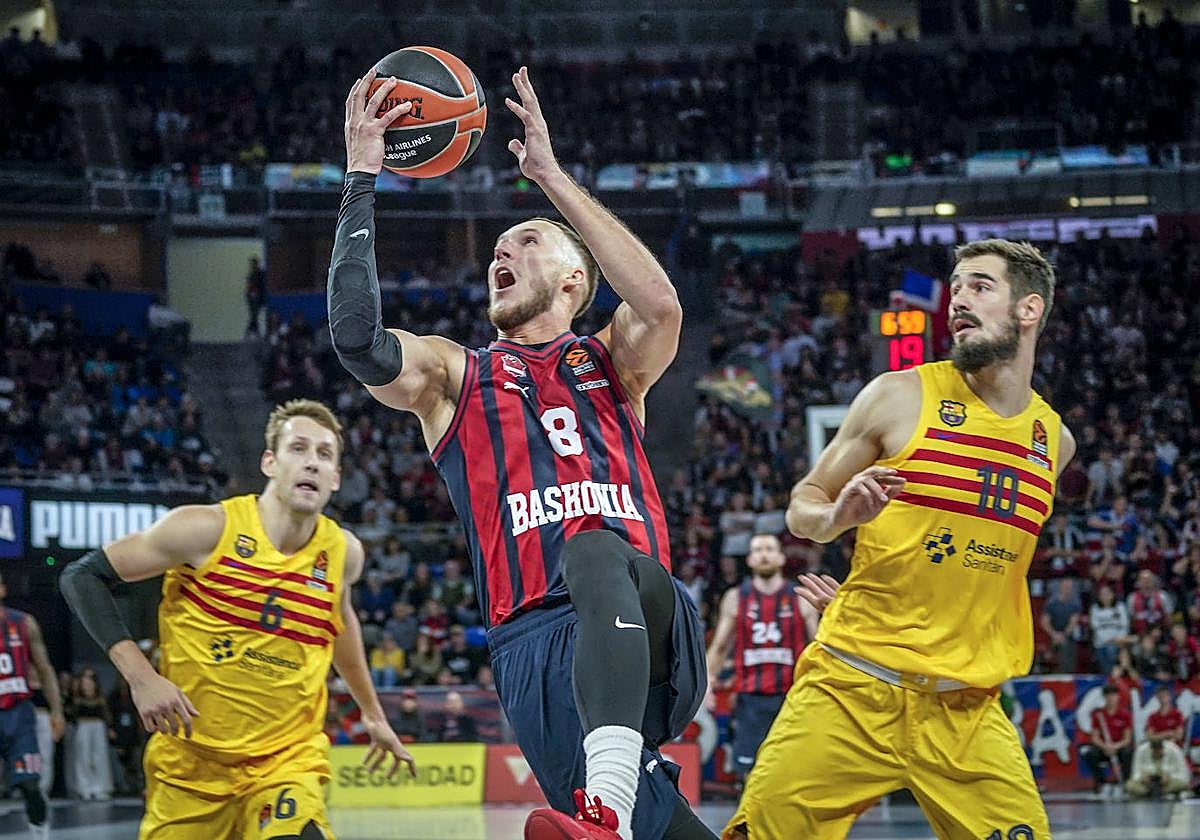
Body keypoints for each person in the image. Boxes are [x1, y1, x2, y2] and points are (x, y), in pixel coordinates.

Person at [329, 69, 710, 840]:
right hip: (535, 649)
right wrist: (361, 176)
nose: (503, 253)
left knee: (597, 552)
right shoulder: (454, 374)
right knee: (655, 830)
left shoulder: (614, 361)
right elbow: (356, 341)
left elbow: (662, 304)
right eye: (498, 250)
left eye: (526, 242)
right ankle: (614, 803)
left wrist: (550, 177)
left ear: (575, 281)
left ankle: (605, 796)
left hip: (648, 615)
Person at [724, 239, 1074, 839]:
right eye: (957, 287)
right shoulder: (899, 395)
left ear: (1029, 309)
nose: (959, 300)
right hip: (852, 687)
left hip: (967, 710)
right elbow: (801, 508)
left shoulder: (1055, 442)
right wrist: (836, 518)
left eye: (980, 286)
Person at [61, 399, 414, 839]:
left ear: (337, 478)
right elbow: (81, 577)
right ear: (270, 461)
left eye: (325, 455)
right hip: (190, 767)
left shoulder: (344, 554)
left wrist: (373, 713)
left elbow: (339, 624)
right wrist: (142, 677)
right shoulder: (205, 530)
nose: (312, 462)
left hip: (285, 761)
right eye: (299, 448)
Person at [704, 533, 817, 781]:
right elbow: (720, 647)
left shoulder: (800, 597)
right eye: (758, 550)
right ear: (750, 559)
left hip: (792, 697)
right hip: (750, 699)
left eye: (769, 549)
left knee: (793, 768)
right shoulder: (736, 597)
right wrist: (708, 683)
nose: (764, 554)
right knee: (751, 773)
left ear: (780, 557)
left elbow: (819, 646)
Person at [0, 571, 66, 838]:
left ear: (3, 590)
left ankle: (39, 831)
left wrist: (57, 711)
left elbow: (45, 668)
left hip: (19, 715)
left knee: (30, 784)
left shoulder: (23, 623)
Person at [1081, 684, 1134, 798]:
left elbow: (1127, 739)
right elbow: (1095, 737)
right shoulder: (1098, 715)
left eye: (1113, 695)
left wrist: (1115, 747)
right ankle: (1102, 783)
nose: (1111, 699)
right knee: (1089, 753)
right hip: (1104, 748)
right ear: (1104, 698)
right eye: (1108, 696)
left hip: (1119, 747)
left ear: (1118, 697)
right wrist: (1105, 747)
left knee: (1128, 752)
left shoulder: (1124, 715)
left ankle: (1124, 783)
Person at [1125, 738, 1190, 800]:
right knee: (1129, 785)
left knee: (1182, 784)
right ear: (1150, 749)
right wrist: (1142, 778)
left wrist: (1170, 777)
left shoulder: (1174, 749)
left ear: (1163, 748)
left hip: (1168, 783)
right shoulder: (1141, 750)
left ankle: (1160, 792)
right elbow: (1135, 773)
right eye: (1154, 751)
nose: (1156, 753)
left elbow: (1183, 773)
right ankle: (1150, 792)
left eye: (1159, 751)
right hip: (1148, 784)